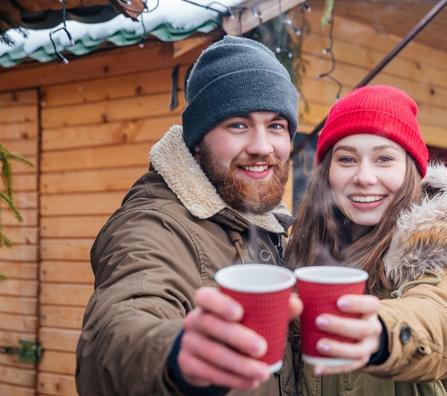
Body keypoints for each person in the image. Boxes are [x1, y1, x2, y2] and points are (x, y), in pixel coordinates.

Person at [75, 36, 378, 396]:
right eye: (238, 124)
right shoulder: (153, 225)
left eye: (276, 125)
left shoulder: (269, 225)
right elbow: (117, 330)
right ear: (198, 140)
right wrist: (176, 357)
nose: (262, 147)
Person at [286, 85, 447, 395]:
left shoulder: (434, 246)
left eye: (383, 159)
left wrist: (381, 333)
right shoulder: (302, 249)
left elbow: (443, 322)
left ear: (410, 170)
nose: (364, 177)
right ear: (327, 172)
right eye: (346, 160)